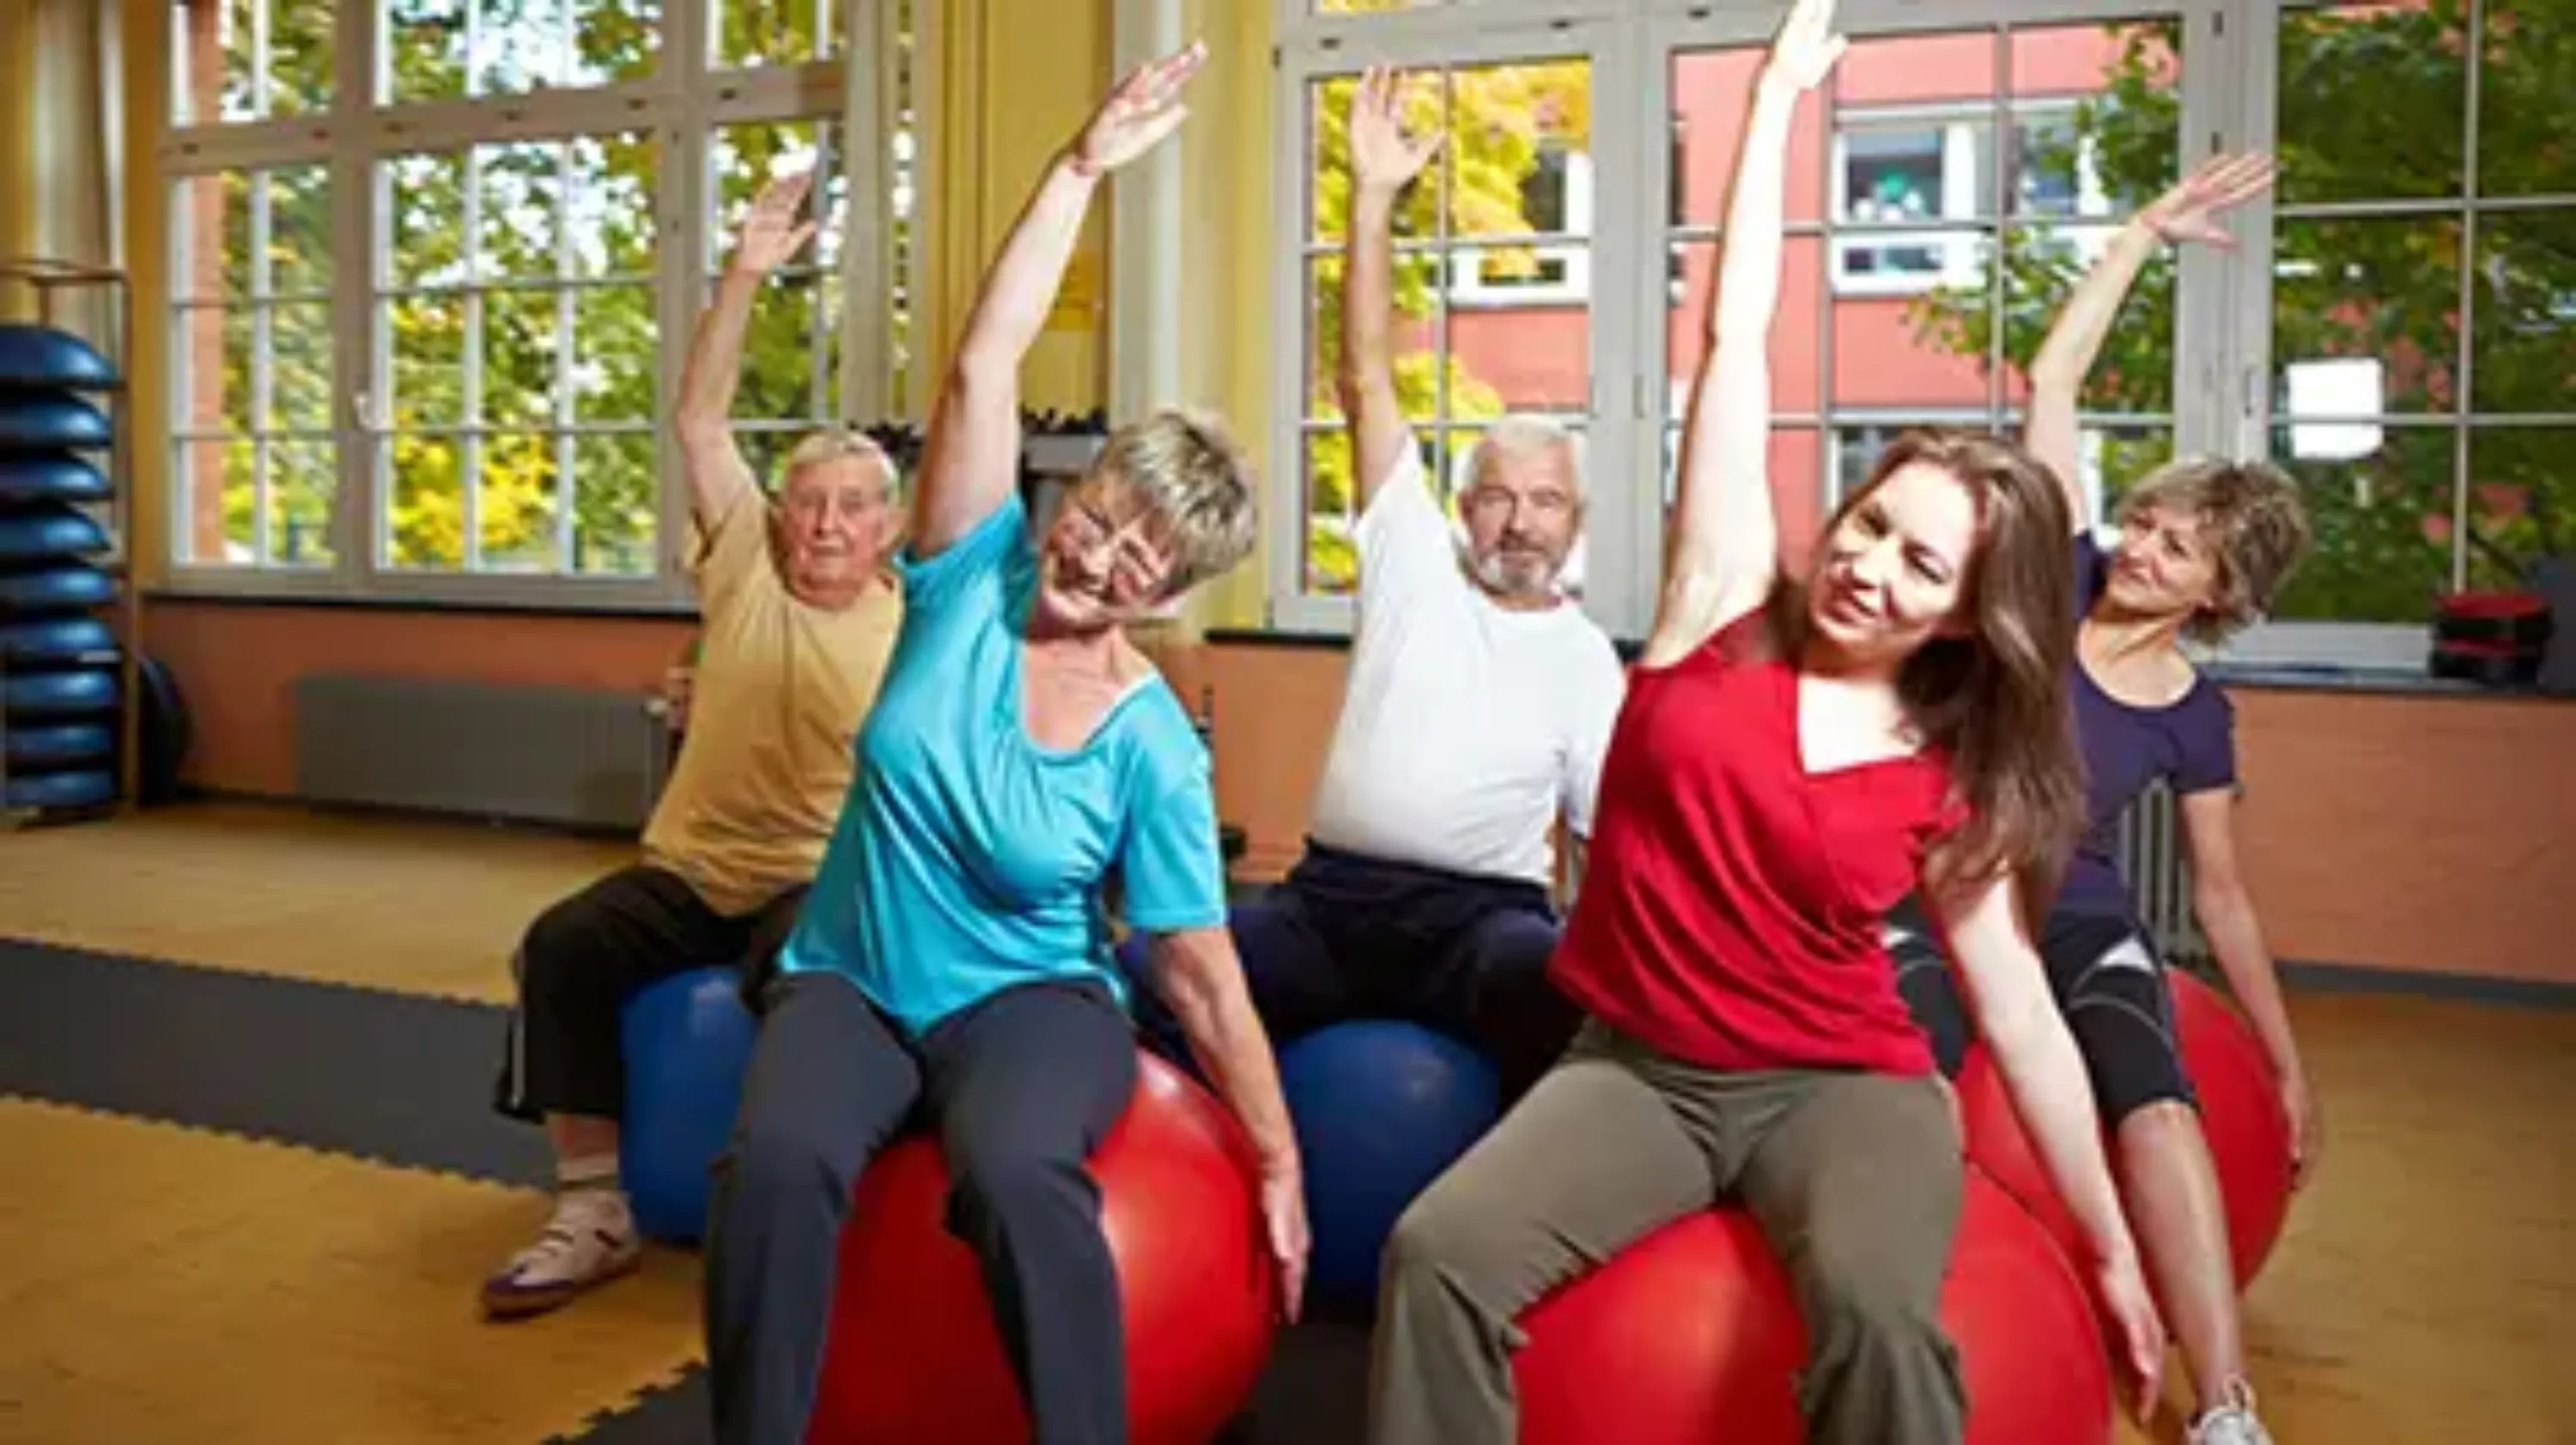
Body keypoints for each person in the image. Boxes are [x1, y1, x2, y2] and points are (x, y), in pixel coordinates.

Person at [1364, 2, 2167, 1441]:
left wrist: (2111, 1238)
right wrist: (1779, 100)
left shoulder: (1951, 763)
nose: (1867, 562)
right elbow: (1734, 333)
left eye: (1922, 562)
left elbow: (2025, 1022)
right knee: (1437, 1253)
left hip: (1842, 1086)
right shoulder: (1720, 604)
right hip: (1636, 1067)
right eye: (1871, 523)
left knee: (1876, 1315)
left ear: (1970, 614)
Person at [698, 43, 1309, 1445]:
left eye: (1142, 554)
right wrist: (1079, 169)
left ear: (1171, 590)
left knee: (1021, 1168)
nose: (1101, 554)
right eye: (1101, 513)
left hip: (1030, 1002)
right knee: (776, 1160)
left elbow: (1201, 974)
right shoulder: (965, 575)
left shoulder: (1151, 742)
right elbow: (983, 359)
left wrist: (1277, 1158)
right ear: (1073, 492)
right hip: (847, 976)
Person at [1887, 151, 2318, 1445]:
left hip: (2074, 913)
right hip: (1935, 880)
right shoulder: (2054, 573)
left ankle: (2226, 1406)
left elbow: (2225, 899)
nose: (2139, 544)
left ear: (2219, 595)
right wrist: (2139, 233)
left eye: (2175, 544)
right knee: (1904, 1085)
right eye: (2145, 520)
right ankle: (1899, 1340)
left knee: (2163, 1095)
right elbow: (2056, 379)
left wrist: (2288, 1070)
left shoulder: (2195, 710)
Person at [1117, 67, 1623, 1102]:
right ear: (1462, 503)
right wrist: (1375, 194)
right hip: (1329, 906)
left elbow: (1598, 841)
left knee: (1559, 986)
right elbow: (1363, 377)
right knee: (1150, 969)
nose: (1518, 520)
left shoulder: (1585, 660)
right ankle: (1209, 1201)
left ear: (1578, 527)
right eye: (1495, 495)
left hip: (1481, 920)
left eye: (1546, 502)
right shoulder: (1412, 555)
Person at [482, 171, 905, 1323]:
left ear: (889, 526)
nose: (823, 522)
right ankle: (593, 1206)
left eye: (851, 506)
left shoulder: (916, 624)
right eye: (807, 501)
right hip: (690, 871)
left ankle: (794, 1205)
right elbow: (699, 419)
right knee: (562, 942)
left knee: (811, 989)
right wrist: (746, 268)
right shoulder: (745, 568)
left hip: (814, 880)